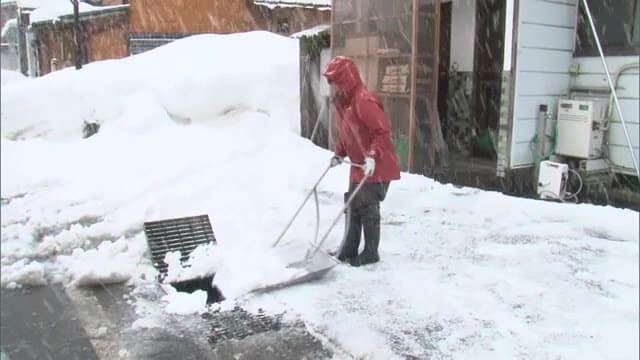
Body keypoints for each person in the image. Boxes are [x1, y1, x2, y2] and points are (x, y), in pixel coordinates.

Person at [322, 56, 401, 267]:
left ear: (345, 80)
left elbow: (382, 132)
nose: (332, 88)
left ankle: (370, 252)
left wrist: (373, 156)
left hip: (377, 164)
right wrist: (339, 153)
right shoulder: (343, 104)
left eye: (334, 83)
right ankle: (349, 247)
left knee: (367, 206)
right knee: (352, 204)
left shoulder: (363, 101)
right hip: (360, 165)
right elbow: (347, 134)